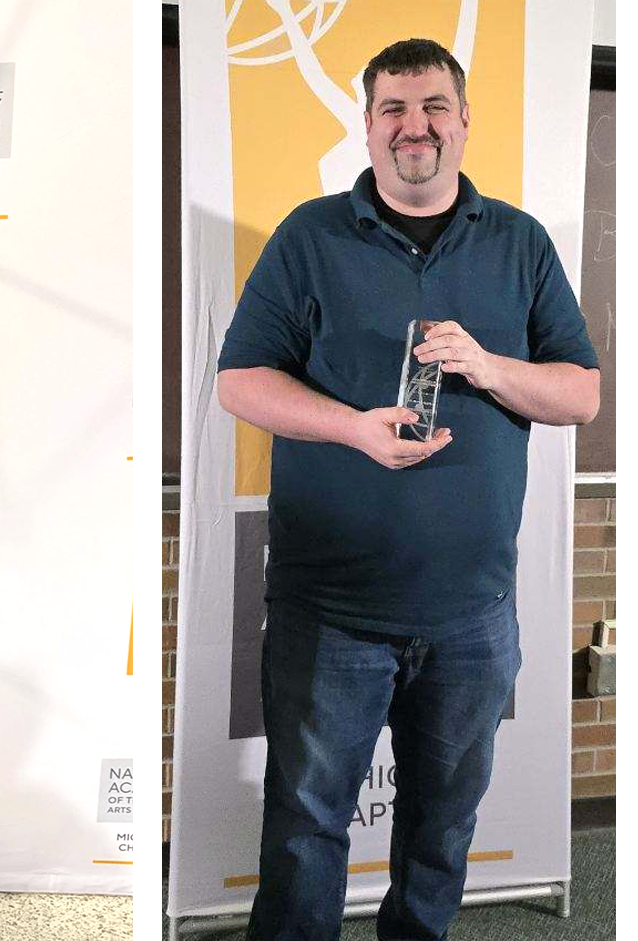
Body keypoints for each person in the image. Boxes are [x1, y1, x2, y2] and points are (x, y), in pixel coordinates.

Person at [216, 39, 598, 941]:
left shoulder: (520, 243)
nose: (413, 126)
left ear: (464, 122)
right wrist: (353, 426)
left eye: (432, 106)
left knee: (440, 835)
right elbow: (239, 381)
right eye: (393, 108)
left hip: (472, 615)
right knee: (306, 832)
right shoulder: (308, 236)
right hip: (330, 610)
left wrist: (488, 364)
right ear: (367, 124)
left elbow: (580, 393)